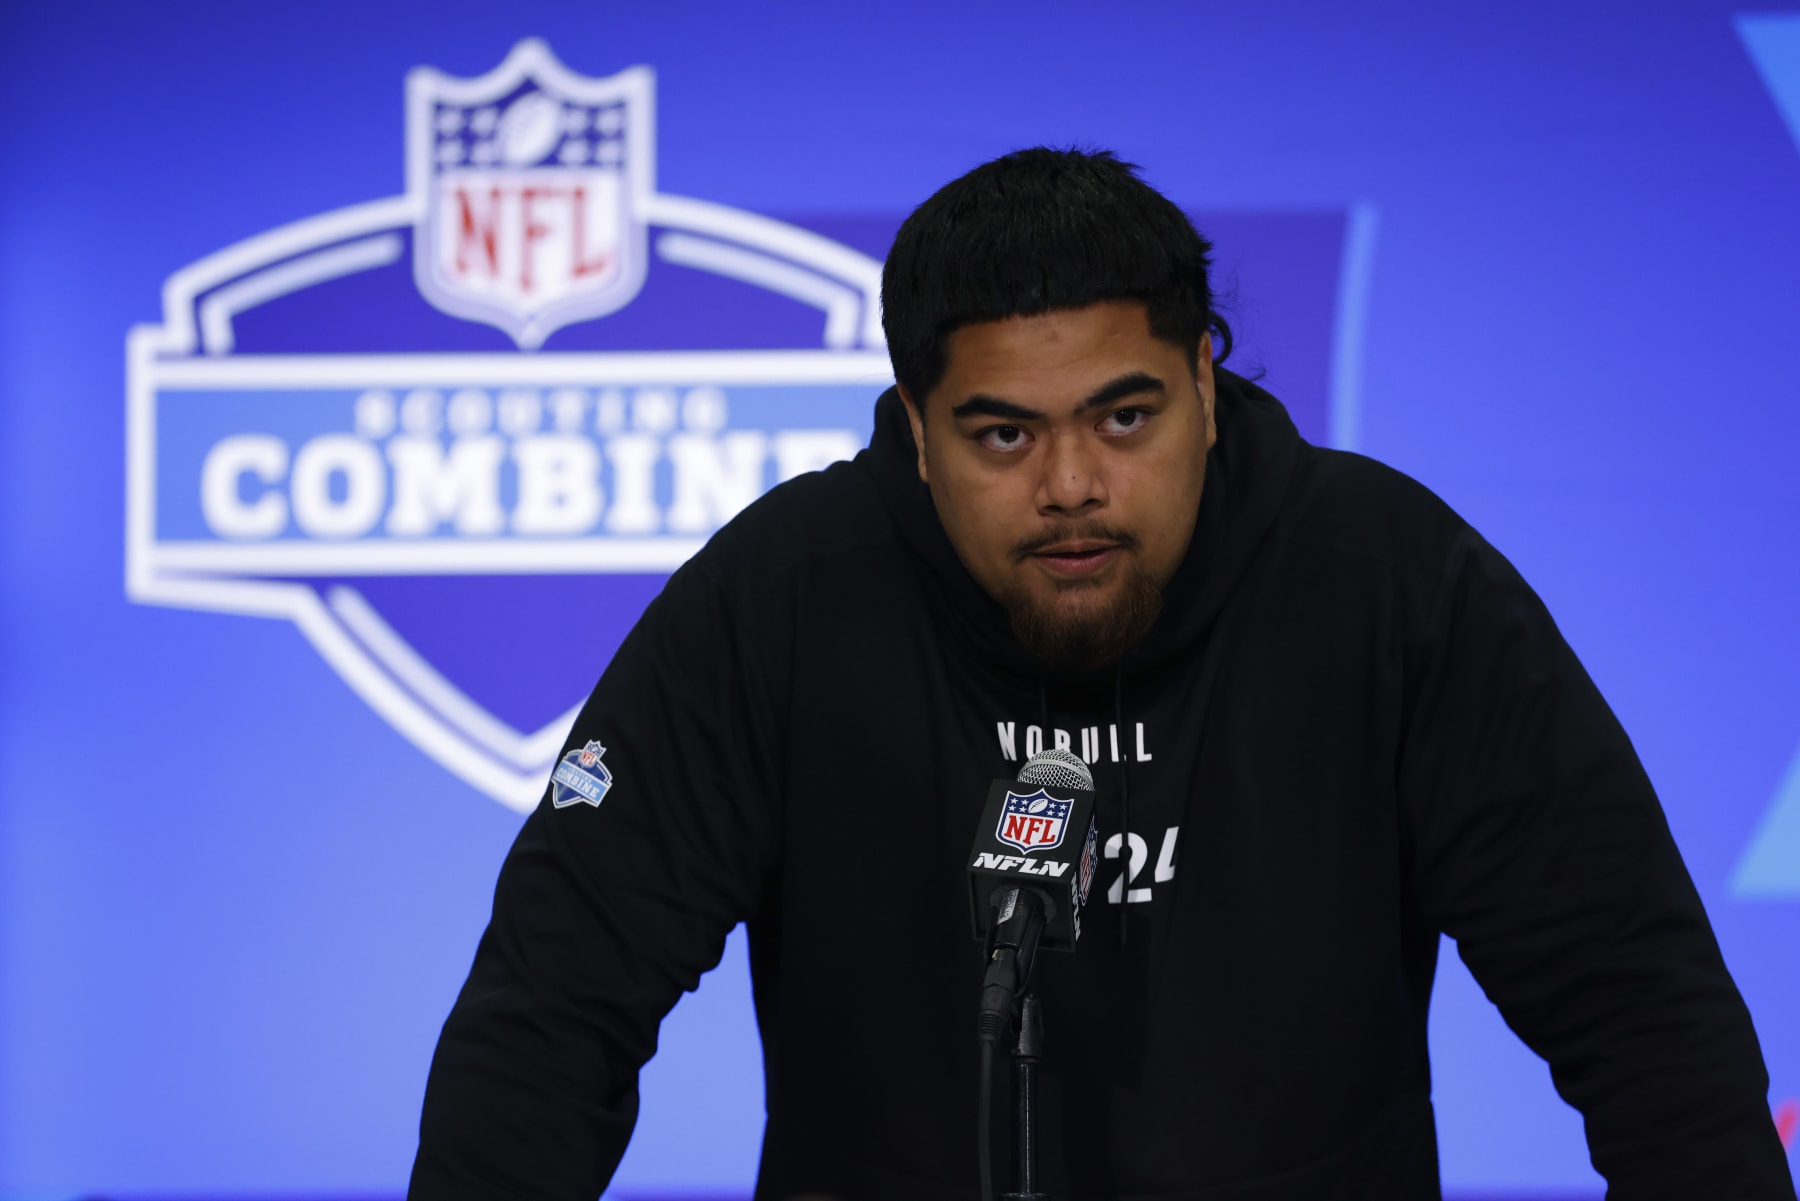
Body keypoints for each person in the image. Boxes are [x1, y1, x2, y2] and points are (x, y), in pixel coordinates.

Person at [410, 149, 1794, 1200]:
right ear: (917, 429)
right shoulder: (781, 600)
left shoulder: (1391, 587)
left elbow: (1638, 1000)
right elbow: (553, 1006)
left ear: (1205, 380)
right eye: (1003, 435)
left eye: (1123, 416)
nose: (1073, 486)